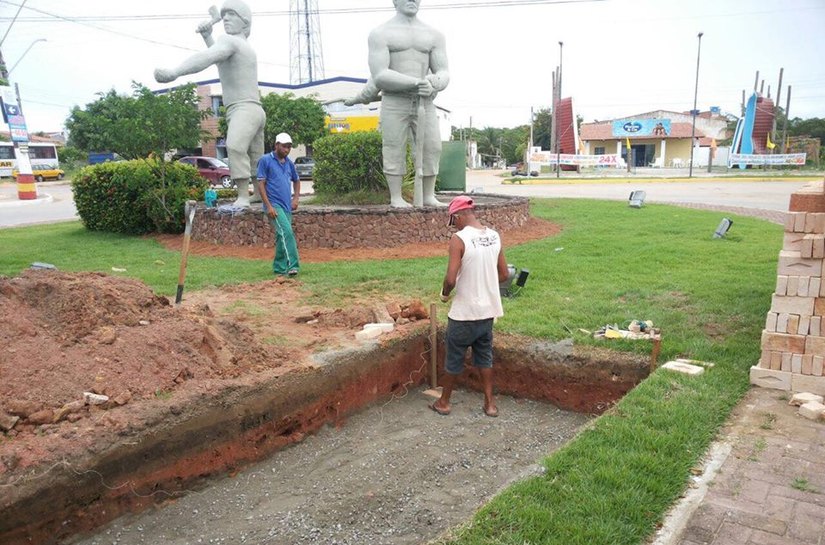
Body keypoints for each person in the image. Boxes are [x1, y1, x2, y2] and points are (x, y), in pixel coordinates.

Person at [154, 0, 264, 208]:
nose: (226, 19)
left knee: (234, 146)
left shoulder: (230, 42)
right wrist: (207, 37)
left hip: (243, 108)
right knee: (255, 156)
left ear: (245, 21)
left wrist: (175, 72)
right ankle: (258, 193)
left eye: (232, 15)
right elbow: (220, 57)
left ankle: (243, 196)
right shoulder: (242, 46)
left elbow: (208, 57)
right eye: (224, 16)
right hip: (254, 109)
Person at [344, 0, 449, 208]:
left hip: (425, 102)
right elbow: (380, 76)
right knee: (393, 147)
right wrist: (415, 83)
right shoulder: (381, 33)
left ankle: (428, 195)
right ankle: (396, 197)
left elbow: (444, 72)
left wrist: (433, 83)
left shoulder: (434, 35)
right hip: (394, 101)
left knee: (432, 146)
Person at [430, 196, 509, 417]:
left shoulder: (459, 239)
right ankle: (490, 404)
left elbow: (451, 279)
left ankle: (444, 402)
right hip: (487, 313)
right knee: (484, 357)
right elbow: (504, 274)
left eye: (452, 220)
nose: (453, 225)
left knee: (454, 357)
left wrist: (444, 295)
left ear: (458, 216)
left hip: (464, 313)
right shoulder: (494, 236)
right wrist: (486, 283)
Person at [257, 133, 301, 277]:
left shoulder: (289, 163)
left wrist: (295, 199)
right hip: (274, 205)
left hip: (287, 205)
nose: (287, 149)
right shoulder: (265, 160)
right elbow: (261, 184)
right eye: (284, 146)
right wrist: (268, 206)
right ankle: (293, 265)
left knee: (281, 235)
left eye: (289, 147)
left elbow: (297, 180)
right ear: (276, 145)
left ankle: (279, 267)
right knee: (287, 233)